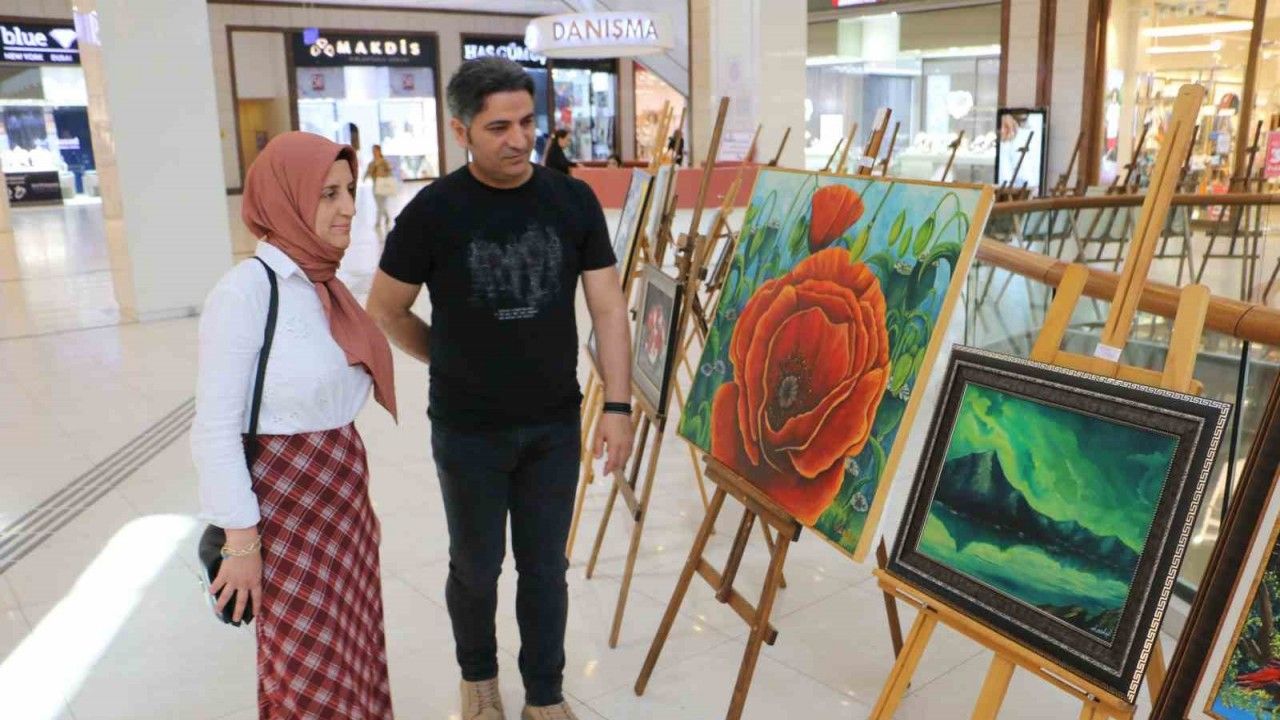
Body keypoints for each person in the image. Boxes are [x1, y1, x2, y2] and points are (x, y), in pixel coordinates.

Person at [366, 57, 633, 720]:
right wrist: (448, 357)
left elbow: (607, 307)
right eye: (498, 127)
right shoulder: (432, 212)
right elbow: (386, 309)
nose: (519, 140)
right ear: (460, 130)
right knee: (476, 566)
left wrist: (619, 405)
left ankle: (545, 693)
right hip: (467, 429)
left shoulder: (571, 200)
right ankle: (478, 680)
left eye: (526, 122)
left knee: (546, 568)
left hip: (553, 424)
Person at [191, 131, 399, 719]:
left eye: (350, 190)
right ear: (286, 198)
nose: (349, 207)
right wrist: (241, 542)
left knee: (355, 651)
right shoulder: (246, 293)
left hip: (343, 507)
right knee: (306, 672)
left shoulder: (322, 285)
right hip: (282, 515)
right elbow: (215, 428)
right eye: (328, 193)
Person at [365, 144, 396, 230]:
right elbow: (368, 172)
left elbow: (390, 170)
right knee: (380, 204)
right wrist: (365, 176)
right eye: (373, 151)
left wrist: (385, 173)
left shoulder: (384, 161)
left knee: (380, 205)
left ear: (379, 151)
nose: (374, 152)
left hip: (383, 184)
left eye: (375, 150)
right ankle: (387, 217)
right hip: (375, 185)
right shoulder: (371, 163)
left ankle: (378, 222)